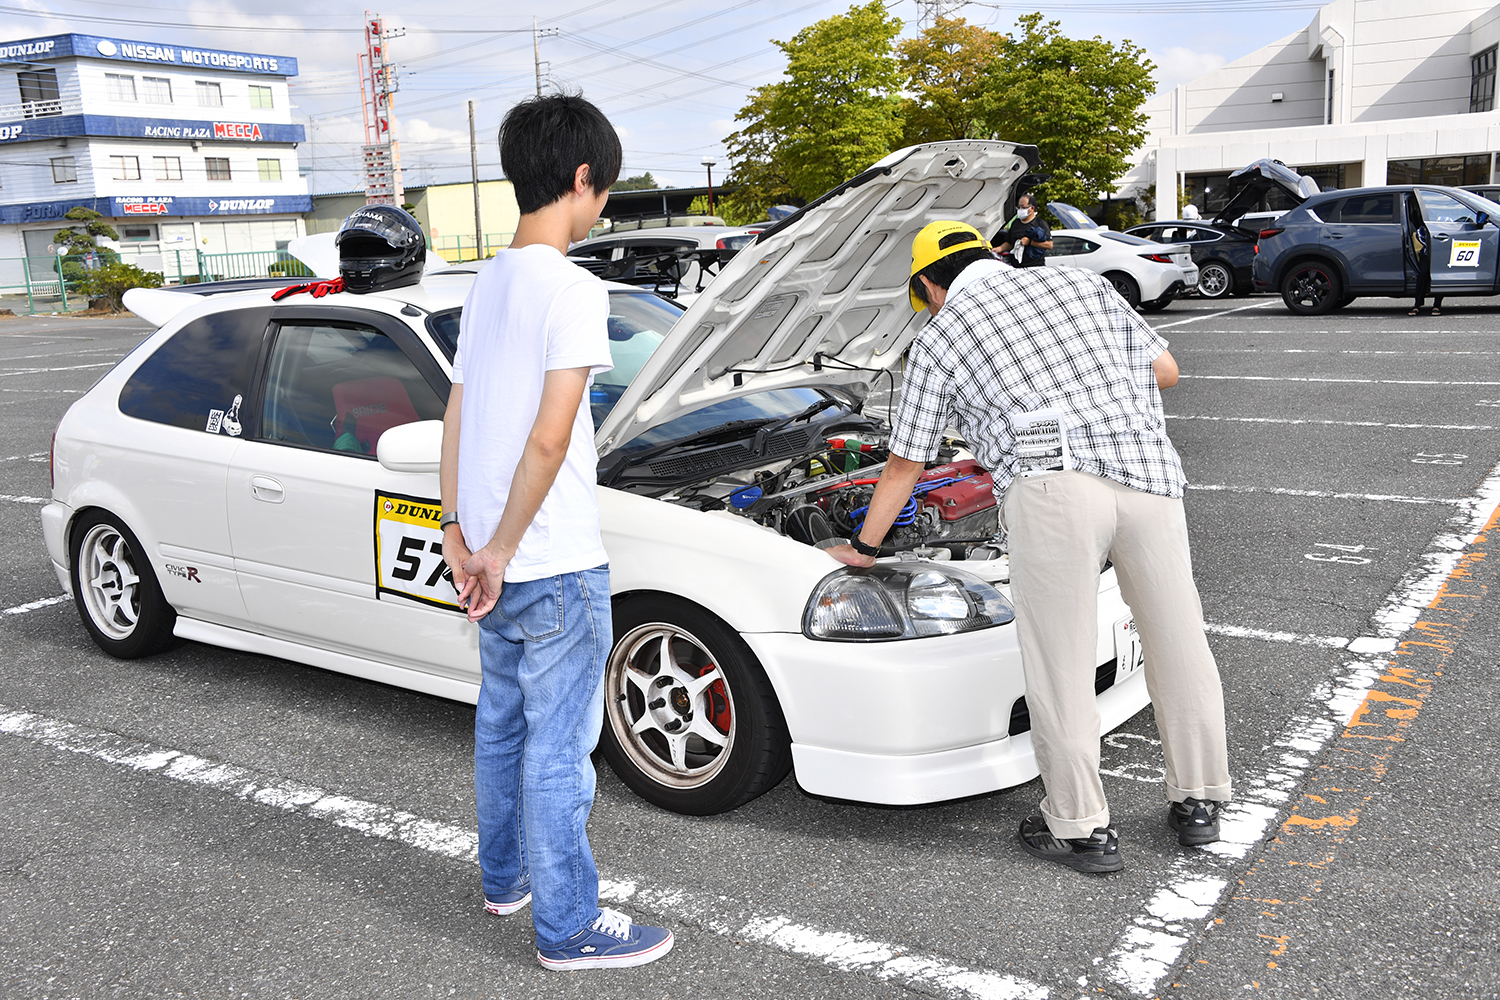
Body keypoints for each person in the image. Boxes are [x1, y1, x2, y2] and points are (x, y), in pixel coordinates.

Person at [827, 220, 1232, 874]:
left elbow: (905, 464)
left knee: (1061, 663)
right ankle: (1200, 802)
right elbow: (1166, 371)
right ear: (989, 256)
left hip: (1054, 493)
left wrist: (863, 545)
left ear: (931, 284)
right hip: (1149, 479)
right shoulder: (1081, 283)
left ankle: (1080, 827)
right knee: (1180, 643)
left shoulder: (943, 333)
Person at [439, 93, 673, 969]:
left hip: (492, 558)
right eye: (604, 190)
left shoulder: (489, 279)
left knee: (501, 726)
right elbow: (551, 432)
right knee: (562, 750)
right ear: (581, 178)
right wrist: (498, 546)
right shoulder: (574, 288)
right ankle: (569, 926)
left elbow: (457, 412)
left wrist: (461, 532)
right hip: (554, 560)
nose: (602, 205)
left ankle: (506, 882)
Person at [1407, 194, 1444, 317]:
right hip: (1426, 252)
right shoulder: (1422, 220)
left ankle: (1437, 305)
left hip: (1441, 251)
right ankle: (1417, 304)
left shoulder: (1446, 218)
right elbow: (1418, 234)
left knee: (1440, 274)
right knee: (1423, 274)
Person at [994, 194, 1053, 267]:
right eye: (1019, 207)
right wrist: (998, 249)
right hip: (1016, 266)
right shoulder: (1016, 223)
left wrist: (1030, 242)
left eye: (1023, 207)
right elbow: (1009, 243)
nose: (1020, 210)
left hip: (1034, 266)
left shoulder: (1040, 223)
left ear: (1032, 208)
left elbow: (1049, 245)